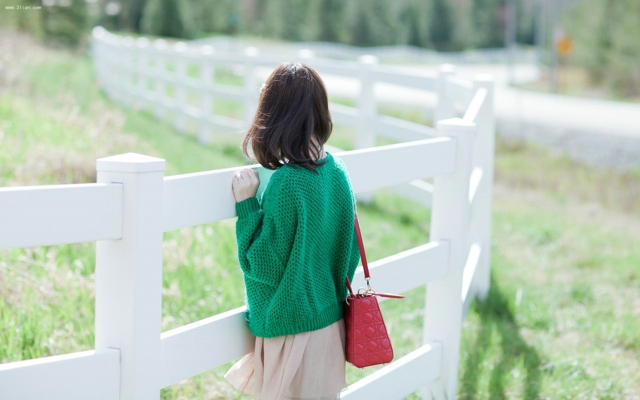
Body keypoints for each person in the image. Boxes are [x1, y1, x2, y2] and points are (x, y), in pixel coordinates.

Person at [224, 62, 361, 399]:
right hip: (330, 325)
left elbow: (263, 265)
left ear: (274, 115)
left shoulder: (288, 183)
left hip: (293, 330)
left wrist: (246, 207)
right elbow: (350, 254)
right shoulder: (337, 172)